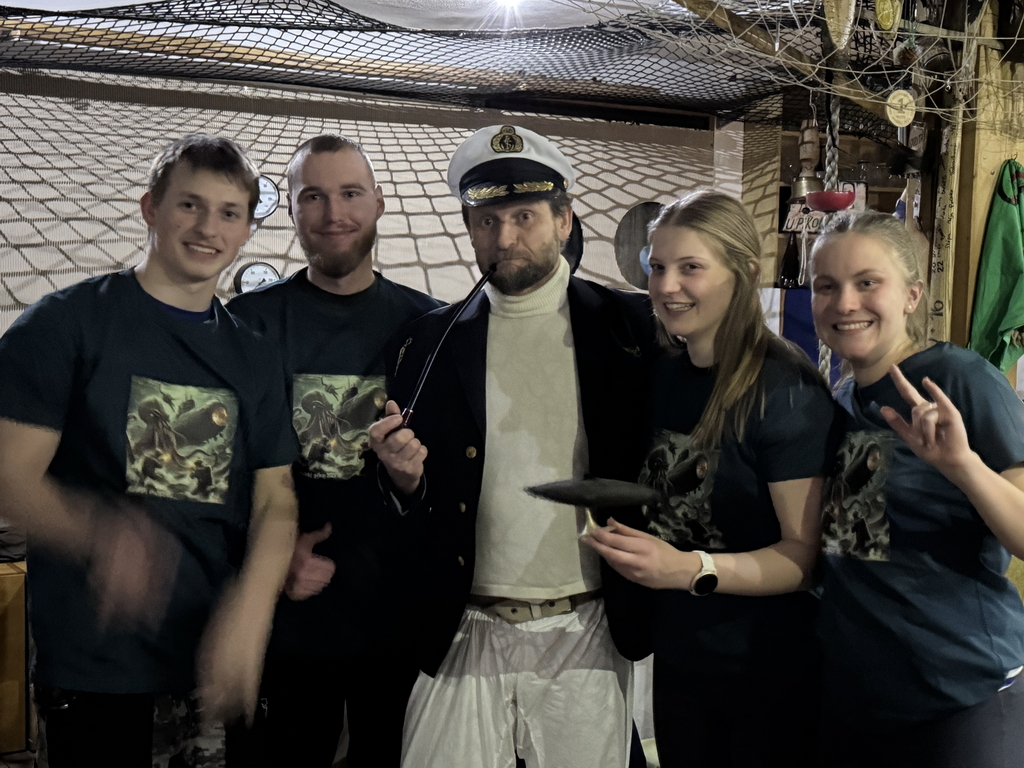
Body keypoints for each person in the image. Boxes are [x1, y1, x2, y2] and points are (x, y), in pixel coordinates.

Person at [0, 134, 299, 768]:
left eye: (228, 212)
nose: (208, 228)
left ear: (247, 230)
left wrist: (253, 607)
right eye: (190, 205)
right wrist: (97, 533)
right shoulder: (65, 323)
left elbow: (276, 499)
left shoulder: (253, 354)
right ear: (151, 208)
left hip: (211, 663)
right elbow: (8, 474)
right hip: (96, 667)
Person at [368, 124, 655, 768]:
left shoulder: (631, 330)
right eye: (487, 220)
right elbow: (407, 499)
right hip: (463, 622)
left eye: (524, 216)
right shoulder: (426, 343)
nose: (504, 238)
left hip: (587, 622)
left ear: (563, 221)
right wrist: (403, 480)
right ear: (469, 230)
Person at [584, 190, 839, 767]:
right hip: (681, 660)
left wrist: (686, 569)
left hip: (763, 672)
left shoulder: (784, 389)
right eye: (657, 267)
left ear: (744, 272)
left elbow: (804, 559)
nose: (667, 286)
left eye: (690, 267)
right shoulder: (666, 374)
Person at [224, 134, 442, 768]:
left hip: (396, 624)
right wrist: (267, 561)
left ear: (379, 201)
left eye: (350, 193)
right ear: (289, 208)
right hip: (287, 626)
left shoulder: (430, 327)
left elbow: (450, 485)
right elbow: (221, 474)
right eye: (313, 197)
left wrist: (410, 484)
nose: (333, 213)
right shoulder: (248, 322)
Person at [809, 211, 1024, 767]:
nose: (845, 303)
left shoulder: (958, 380)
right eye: (826, 286)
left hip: (960, 695)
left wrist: (964, 467)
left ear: (912, 295)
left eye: (867, 282)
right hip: (862, 700)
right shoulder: (841, 400)